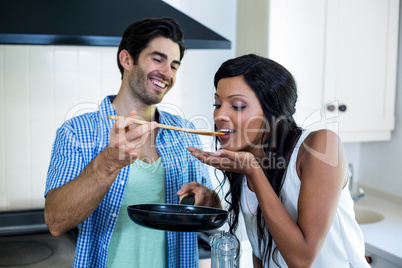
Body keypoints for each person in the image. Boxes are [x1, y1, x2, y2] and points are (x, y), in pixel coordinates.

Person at [44, 17, 220, 268]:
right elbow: (56, 222)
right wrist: (108, 162)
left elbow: (209, 210)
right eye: (157, 59)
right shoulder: (77, 132)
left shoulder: (186, 132)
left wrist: (209, 200)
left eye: (174, 65)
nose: (167, 73)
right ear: (127, 59)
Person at [187, 54, 370, 267]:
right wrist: (213, 206)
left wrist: (253, 171)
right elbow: (262, 250)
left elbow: (301, 259)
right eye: (217, 104)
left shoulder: (320, 146)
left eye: (237, 106)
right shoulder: (247, 159)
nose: (219, 115)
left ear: (272, 111)